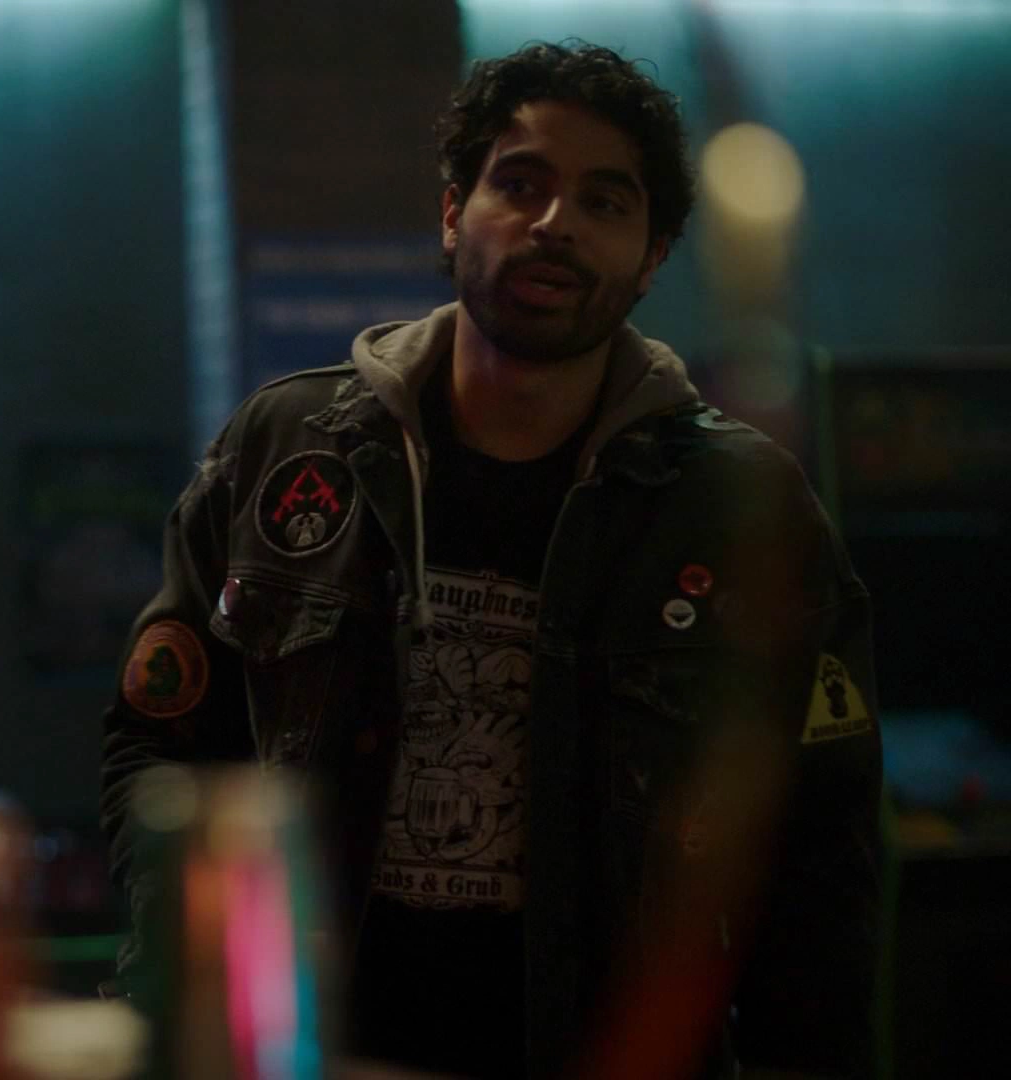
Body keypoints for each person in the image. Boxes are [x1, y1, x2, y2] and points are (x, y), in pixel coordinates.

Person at [101, 40, 881, 1080]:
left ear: (652, 258)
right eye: (520, 184)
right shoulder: (286, 449)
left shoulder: (739, 505)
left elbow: (819, 853)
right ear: (451, 213)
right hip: (311, 1048)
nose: (556, 222)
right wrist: (191, 982)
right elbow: (158, 746)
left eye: (605, 201)